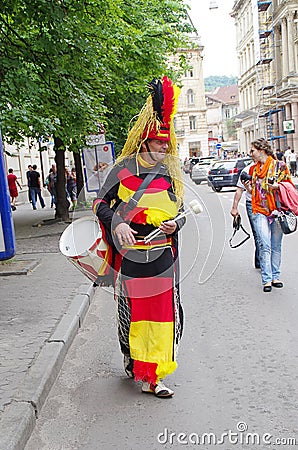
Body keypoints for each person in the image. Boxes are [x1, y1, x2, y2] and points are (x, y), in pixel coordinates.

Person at [93, 77, 185, 398]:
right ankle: (135, 361)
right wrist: (116, 221)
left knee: (160, 317)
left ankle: (154, 375)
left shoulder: (170, 176)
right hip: (131, 255)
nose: (165, 148)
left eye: (166, 144)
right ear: (146, 142)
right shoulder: (122, 170)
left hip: (161, 255)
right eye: (160, 144)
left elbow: (179, 212)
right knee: (133, 316)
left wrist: (176, 226)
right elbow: (99, 203)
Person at [248, 138, 294, 292]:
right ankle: (266, 279)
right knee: (264, 244)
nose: (251, 154)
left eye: (253, 150)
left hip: (277, 210)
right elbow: (256, 191)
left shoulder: (279, 166)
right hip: (260, 210)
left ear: (262, 150)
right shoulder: (254, 169)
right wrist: (249, 188)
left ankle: (276, 276)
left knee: (275, 245)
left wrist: (277, 186)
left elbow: (290, 186)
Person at [230, 157, 261, 269]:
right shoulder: (247, 170)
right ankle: (261, 261)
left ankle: (263, 259)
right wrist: (234, 208)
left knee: (267, 234)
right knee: (258, 233)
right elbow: (239, 190)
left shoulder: (271, 168)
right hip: (252, 204)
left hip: (267, 205)